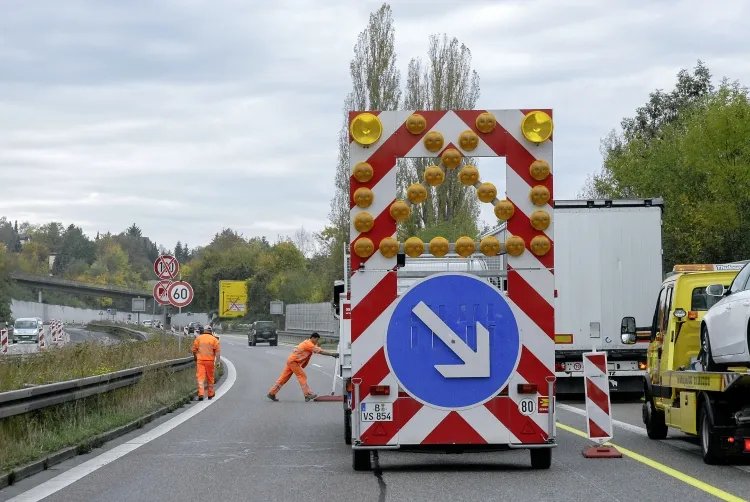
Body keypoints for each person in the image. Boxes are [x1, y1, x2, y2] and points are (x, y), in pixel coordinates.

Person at [267, 332, 338, 402]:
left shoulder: (309, 343)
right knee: (302, 376)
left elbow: (317, 349)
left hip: (292, 361)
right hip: (294, 362)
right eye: (316, 340)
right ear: (313, 338)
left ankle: (272, 393)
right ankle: (307, 394)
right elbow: (320, 351)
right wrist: (332, 354)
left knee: (283, 378)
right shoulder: (309, 344)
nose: (317, 341)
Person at [191, 325, 220, 401]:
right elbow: (217, 353)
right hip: (210, 361)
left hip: (200, 361)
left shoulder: (199, 338)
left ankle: (201, 393)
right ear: (211, 331)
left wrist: (195, 357)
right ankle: (210, 394)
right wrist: (218, 362)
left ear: (204, 330)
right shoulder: (214, 339)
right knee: (210, 377)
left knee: (200, 377)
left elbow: (194, 350)